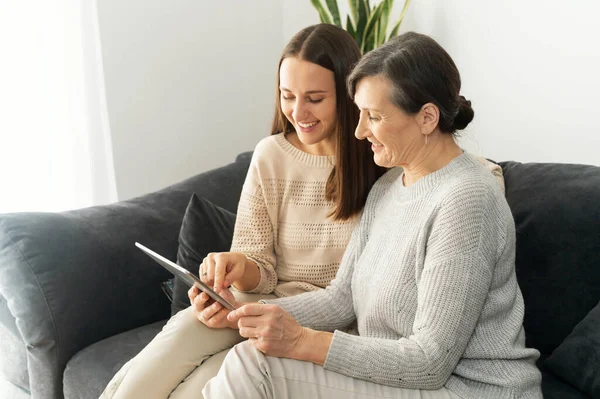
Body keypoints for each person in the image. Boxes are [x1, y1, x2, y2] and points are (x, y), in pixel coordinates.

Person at [202, 32, 542, 399]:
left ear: (427, 117)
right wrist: (246, 311)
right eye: (360, 114)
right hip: (398, 380)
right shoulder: (389, 186)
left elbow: (429, 361)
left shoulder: (467, 201)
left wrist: (301, 341)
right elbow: (342, 297)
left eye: (375, 117)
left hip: (465, 390)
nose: (361, 131)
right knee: (248, 356)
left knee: (255, 366)